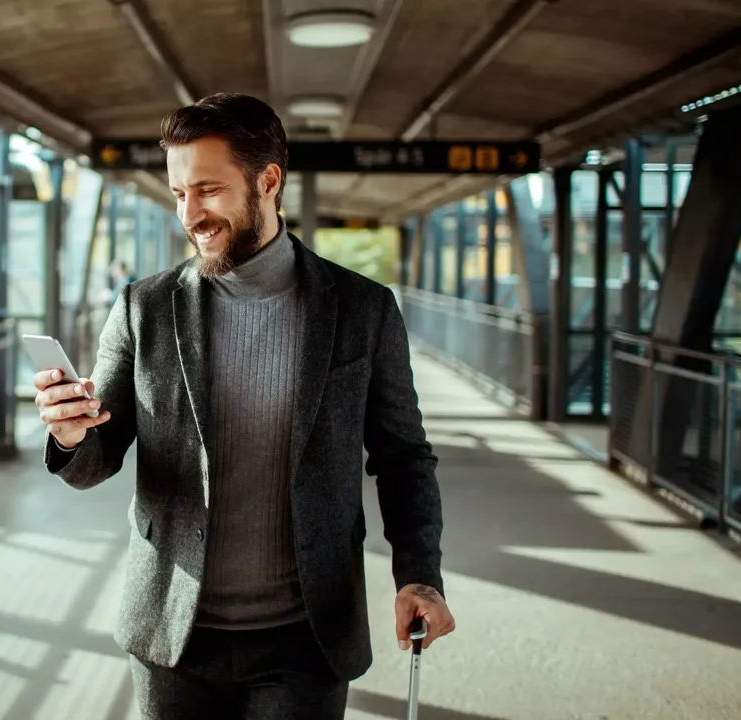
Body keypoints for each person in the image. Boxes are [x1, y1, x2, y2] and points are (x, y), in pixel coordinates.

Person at [34, 93, 454, 718]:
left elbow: (404, 457)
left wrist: (418, 577)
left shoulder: (363, 310)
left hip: (305, 638)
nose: (189, 214)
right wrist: (70, 434)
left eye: (207, 190)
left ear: (269, 181)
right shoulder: (142, 310)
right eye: (179, 194)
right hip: (172, 635)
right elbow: (97, 458)